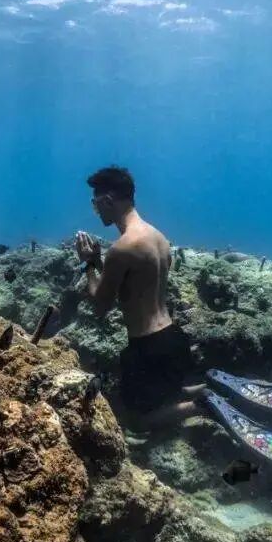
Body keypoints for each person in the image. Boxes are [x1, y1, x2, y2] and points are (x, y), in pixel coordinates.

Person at [74, 166, 202, 429]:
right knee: (168, 392)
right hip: (173, 338)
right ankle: (207, 389)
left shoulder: (122, 248)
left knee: (135, 420)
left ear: (108, 200)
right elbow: (132, 288)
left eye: (95, 204)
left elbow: (101, 306)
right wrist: (99, 263)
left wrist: (87, 265)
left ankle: (204, 406)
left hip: (148, 347)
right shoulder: (159, 238)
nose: (96, 211)